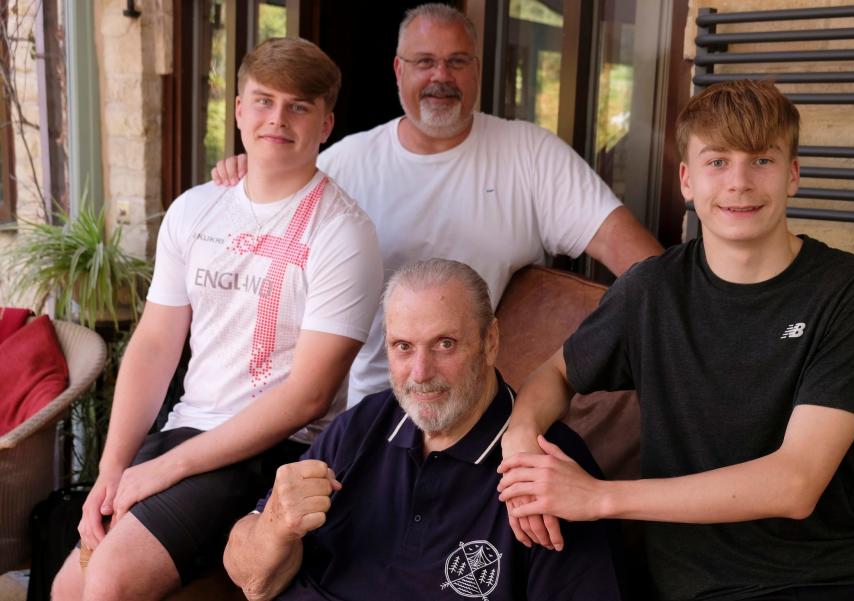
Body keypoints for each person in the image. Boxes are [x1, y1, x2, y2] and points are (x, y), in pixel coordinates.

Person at [497, 79, 854, 601]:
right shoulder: (651, 291)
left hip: (842, 576)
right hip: (707, 587)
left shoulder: (853, 294)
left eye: (761, 160)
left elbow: (795, 484)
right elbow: (554, 372)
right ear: (686, 180)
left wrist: (598, 498)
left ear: (793, 174)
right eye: (717, 162)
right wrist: (520, 439)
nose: (739, 183)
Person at [51, 38, 383, 601]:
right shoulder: (195, 209)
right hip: (188, 430)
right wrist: (113, 466)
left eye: (298, 106)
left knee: (107, 582)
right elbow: (156, 344)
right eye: (263, 100)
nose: (277, 118)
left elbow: (308, 397)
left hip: (277, 450)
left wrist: (166, 468)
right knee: (66, 589)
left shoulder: (344, 233)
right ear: (236, 109)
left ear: (325, 124)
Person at [212, 3, 663, 409]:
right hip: (367, 409)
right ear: (398, 70)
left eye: (457, 62)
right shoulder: (344, 165)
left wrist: (592, 357)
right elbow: (261, 257)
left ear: (477, 71)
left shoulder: (530, 155)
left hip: (482, 412)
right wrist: (251, 170)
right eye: (424, 62)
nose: (440, 77)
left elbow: (643, 264)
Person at [223, 259, 623, 600]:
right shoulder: (363, 425)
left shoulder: (547, 468)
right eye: (403, 347)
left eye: (445, 344)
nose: (420, 373)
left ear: (490, 341)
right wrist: (276, 524)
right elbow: (251, 578)